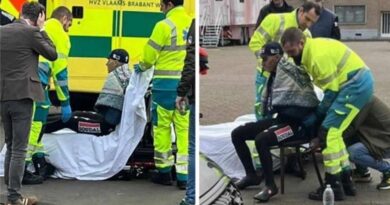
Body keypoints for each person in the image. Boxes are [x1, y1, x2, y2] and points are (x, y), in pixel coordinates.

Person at [281, 28, 374, 201]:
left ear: (301, 43)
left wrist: (317, 115)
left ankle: (332, 185)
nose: (292, 57)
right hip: (355, 83)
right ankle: (346, 181)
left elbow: (331, 92)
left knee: (328, 133)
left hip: (354, 85)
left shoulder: (317, 56)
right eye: (288, 53)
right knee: (335, 134)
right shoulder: (310, 52)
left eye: (292, 52)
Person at [231, 42, 319, 202]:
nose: (262, 62)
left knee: (262, 139)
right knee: (238, 133)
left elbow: (308, 100)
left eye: (265, 59)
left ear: (277, 57)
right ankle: (251, 175)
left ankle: (271, 186)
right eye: (261, 59)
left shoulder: (290, 72)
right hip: (283, 120)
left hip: (297, 126)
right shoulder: (274, 75)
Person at [0, 2, 57, 205]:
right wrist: (42, 29)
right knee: (19, 148)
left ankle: (9, 194)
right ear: (39, 15)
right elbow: (52, 53)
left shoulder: (2, 31)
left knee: (10, 144)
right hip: (22, 95)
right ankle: (14, 197)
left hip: (3, 95)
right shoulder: (31, 32)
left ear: (21, 13)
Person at [134, 0, 192, 189]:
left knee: (162, 129)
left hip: (164, 88)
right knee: (183, 130)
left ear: (168, 4)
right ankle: (184, 176)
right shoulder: (190, 22)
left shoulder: (163, 25)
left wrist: (140, 66)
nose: (160, 8)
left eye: (161, 4)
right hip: (185, 87)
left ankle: (164, 172)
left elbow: (149, 57)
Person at [23, 6, 73, 185]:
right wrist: (65, 101)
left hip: (23, 82)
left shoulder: (38, 28)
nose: (70, 27)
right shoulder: (61, 35)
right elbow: (60, 73)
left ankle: (39, 159)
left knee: (37, 122)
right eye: (70, 23)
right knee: (36, 124)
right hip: (38, 83)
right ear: (65, 18)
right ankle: (24, 168)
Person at [249, 1, 320, 120]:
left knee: (285, 111)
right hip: (267, 76)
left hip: (289, 81)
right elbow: (255, 42)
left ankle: (273, 133)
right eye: (307, 19)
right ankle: (260, 132)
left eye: (312, 22)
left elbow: (305, 60)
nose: (308, 24)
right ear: (301, 11)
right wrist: (267, 62)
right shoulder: (274, 20)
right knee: (263, 108)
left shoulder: (307, 35)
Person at [44, 49, 132, 136]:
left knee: (68, 121)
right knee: (75, 114)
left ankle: (37, 133)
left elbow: (111, 119)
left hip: (104, 127)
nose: (106, 64)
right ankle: (41, 123)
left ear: (115, 62)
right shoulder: (125, 77)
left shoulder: (118, 79)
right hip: (105, 121)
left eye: (109, 60)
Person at [343, 95, 390, 190]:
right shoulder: (362, 95)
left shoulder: (363, 101)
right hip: (376, 136)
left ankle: (387, 170)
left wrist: (325, 138)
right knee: (347, 139)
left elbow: (352, 126)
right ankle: (362, 172)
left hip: (384, 140)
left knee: (354, 152)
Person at [177, 18, 195, 205]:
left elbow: (191, 61)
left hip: (191, 92)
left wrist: (182, 91)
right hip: (189, 90)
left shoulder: (194, 23)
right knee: (183, 136)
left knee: (192, 147)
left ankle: (191, 198)